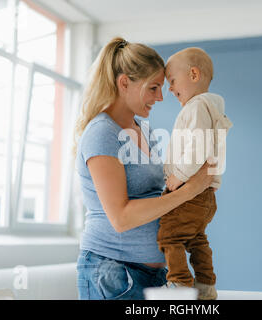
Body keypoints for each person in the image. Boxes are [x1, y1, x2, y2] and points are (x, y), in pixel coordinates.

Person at [74, 37, 216, 300]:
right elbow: (122, 218)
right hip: (114, 273)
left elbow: (157, 194)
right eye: (153, 88)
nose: (161, 97)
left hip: (153, 276)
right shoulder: (102, 133)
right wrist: (189, 191)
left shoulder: (144, 130)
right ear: (124, 83)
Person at [158, 47, 233, 300]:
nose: (169, 89)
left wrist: (177, 176)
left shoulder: (197, 106)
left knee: (169, 234)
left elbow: (197, 148)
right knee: (196, 239)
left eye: (172, 82)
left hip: (190, 192)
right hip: (207, 196)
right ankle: (205, 285)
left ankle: (179, 284)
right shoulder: (213, 109)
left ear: (193, 74)